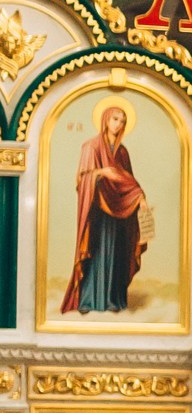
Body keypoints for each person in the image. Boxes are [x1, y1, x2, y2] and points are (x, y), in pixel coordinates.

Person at [59, 99, 148, 316]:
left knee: (117, 254)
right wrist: (100, 173)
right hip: (97, 213)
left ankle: (113, 299)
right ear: (106, 119)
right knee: (95, 251)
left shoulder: (122, 152)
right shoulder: (91, 147)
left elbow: (128, 181)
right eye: (115, 119)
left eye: (122, 121)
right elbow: (82, 180)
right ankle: (89, 299)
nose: (118, 124)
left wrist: (139, 196)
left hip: (120, 214)